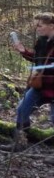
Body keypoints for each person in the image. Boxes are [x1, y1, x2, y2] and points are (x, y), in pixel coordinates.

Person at [10, 12, 54, 152]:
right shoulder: (41, 41)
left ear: (51, 26)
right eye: (36, 25)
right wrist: (23, 51)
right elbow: (37, 59)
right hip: (39, 85)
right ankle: (20, 143)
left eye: (40, 26)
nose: (37, 28)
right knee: (22, 110)